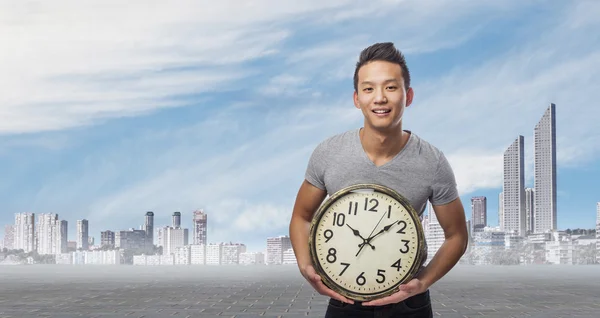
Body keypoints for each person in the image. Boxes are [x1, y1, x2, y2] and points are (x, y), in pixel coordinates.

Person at [288, 42, 469, 317]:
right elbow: (301, 216)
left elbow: (456, 235)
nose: (380, 98)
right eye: (369, 88)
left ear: (408, 96)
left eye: (391, 87)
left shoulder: (432, 161)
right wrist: (305, 266)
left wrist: (423, 282)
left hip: (409, 305)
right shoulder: (329, 153)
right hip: (343, 301)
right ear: (356, 98)